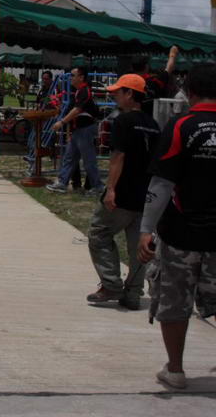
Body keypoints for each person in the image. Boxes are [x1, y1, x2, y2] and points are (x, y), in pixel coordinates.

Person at [137, 63, 216, 389]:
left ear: (190, 91)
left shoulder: (181, 125)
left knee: (174, 302)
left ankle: (176, 369)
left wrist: (146, 229)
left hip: (181, 235)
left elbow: (162, 183)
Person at [86, 74, 160, 310]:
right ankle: (133, 293)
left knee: (99, 232)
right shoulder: (153, 125)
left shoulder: (123, 121)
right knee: (138, 245)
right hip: (146, 196)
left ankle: (111, 284)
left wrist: (110, 189)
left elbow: (118, 156)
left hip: (123, 193)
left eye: (117, 92)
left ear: (130, 94)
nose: (113, 96)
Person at [46, 66, 104, 194]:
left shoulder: (84, 91)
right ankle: (62, 183)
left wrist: (62, 122)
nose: (70, 78)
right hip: (78, 130)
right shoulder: (79, 91)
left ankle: (98, 186)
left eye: (73, 75)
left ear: (81, 77)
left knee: (88, 160)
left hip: (85, 129)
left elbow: (77, 110)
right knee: (69, 157)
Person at [132, 45, 179, 115]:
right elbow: (169, 68)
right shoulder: (154, 81)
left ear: (132, 68)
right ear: (146, 66)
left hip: (132, 116)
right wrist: (173, 54)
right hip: (151, 117)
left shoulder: (127, 82)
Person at [24, 71, 55, 174]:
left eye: (46, 79)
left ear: (51, 79)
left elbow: (56, 105)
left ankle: (34, 161)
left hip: (49, 119)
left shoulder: (54, 90)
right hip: (39, 119)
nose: (44, 81)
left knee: (40, 141)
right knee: (31, 139)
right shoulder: (42, 90)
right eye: (43, 79)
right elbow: (38, 103)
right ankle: (31, 160)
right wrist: (37, 111)